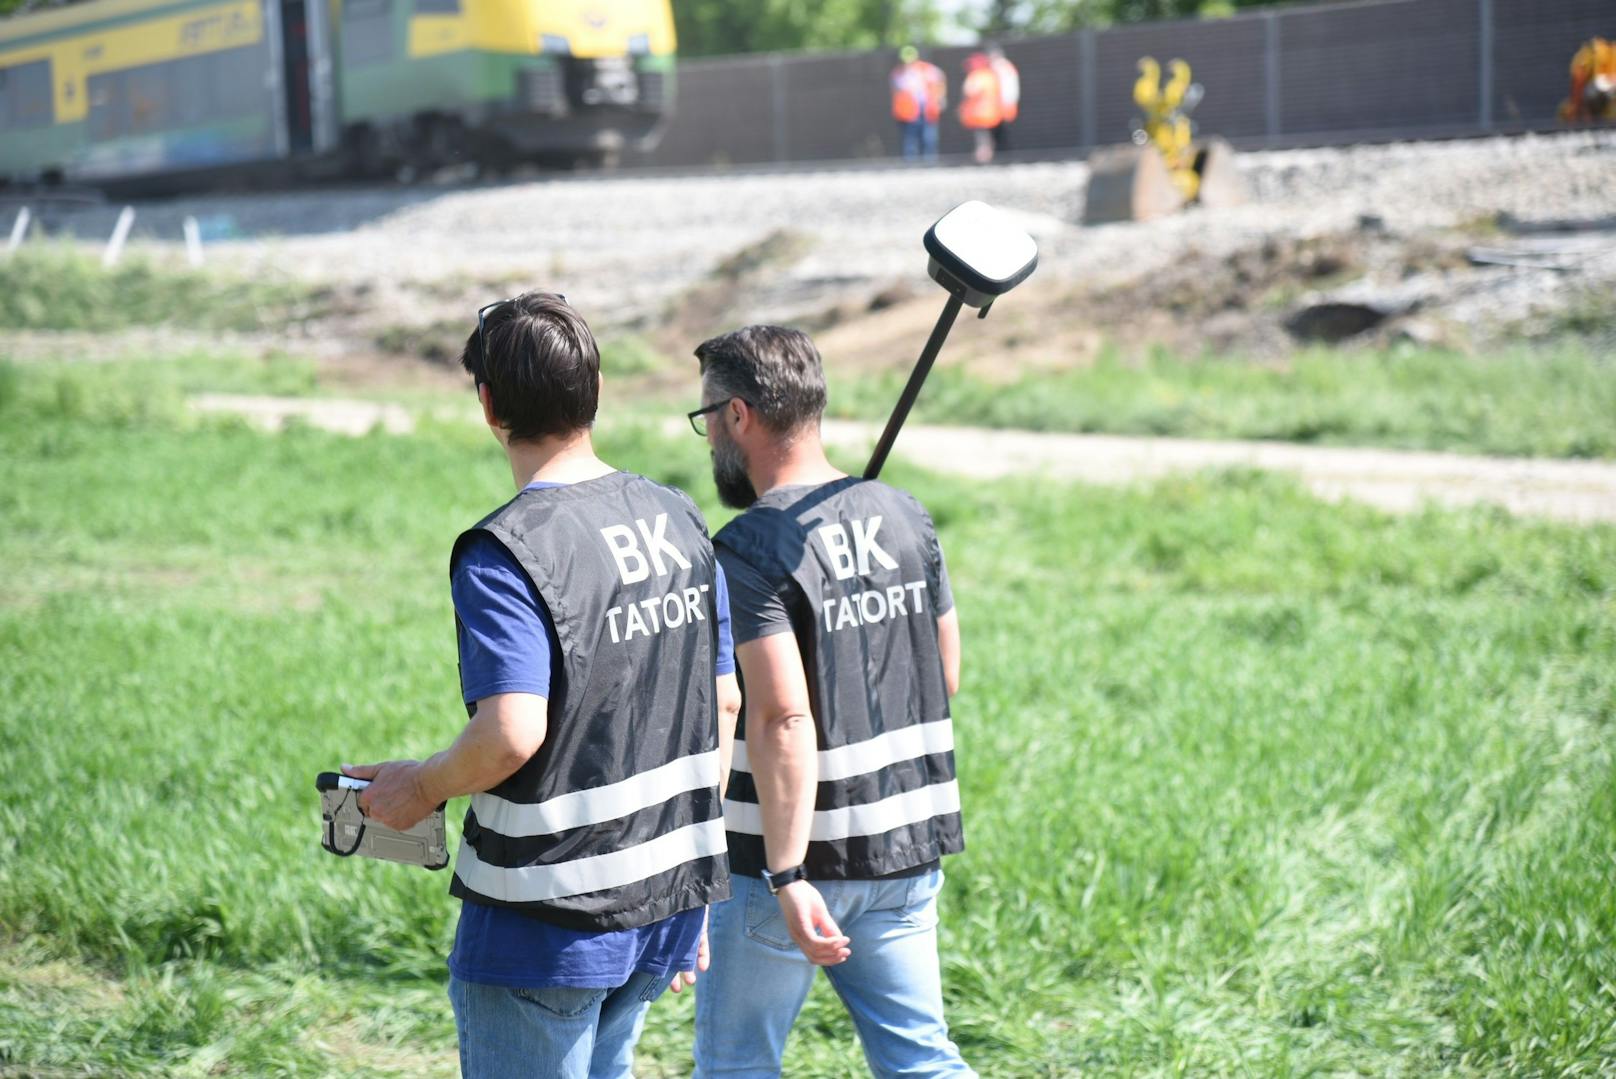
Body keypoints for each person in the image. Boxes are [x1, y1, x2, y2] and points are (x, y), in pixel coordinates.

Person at [343, 291, 739, 1079]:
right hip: (665, 897)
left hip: (546, 923)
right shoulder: (677, 514)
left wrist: (420, 787)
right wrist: (688, 874)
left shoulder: (505, 551)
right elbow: (724, 699)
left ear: (489, 405)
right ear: (594, 392)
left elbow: (511, 732)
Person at [687, 326, 974, 1078]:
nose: (707, 433)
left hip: (782, 865)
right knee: (922, 1059)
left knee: (737, 1064)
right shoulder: (907, 514)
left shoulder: (747, 549)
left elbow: (782, 718)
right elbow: (945, 672)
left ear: (739, 416)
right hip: (905, 845)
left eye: (706, 416)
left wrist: (786, 873)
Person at [891, 45, 946, 162]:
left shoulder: (927, 70)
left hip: (927, 109)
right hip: (909, 112)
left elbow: (940, 79)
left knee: (929, 138)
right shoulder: (899, 73)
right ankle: (911, 163)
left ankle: (930, 162)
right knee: (910, 139)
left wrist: (940, 99)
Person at [958, 52, 1002, 165]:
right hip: (991, 113)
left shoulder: (976, 76)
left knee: (981, 137)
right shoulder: (990, 75)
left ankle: (983, 157)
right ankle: (988, 155)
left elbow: (969, 91)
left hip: (979, 113)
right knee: (988, 136)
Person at [986, 43, 1020, 155]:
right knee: (997, 131)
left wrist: (1005, 103)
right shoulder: (999, 67)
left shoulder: (1002, 67)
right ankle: (1001, 154)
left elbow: (1007, 88)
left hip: (1001, 105)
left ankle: (1004, 154)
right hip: (997, 105)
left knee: (1002, 131)